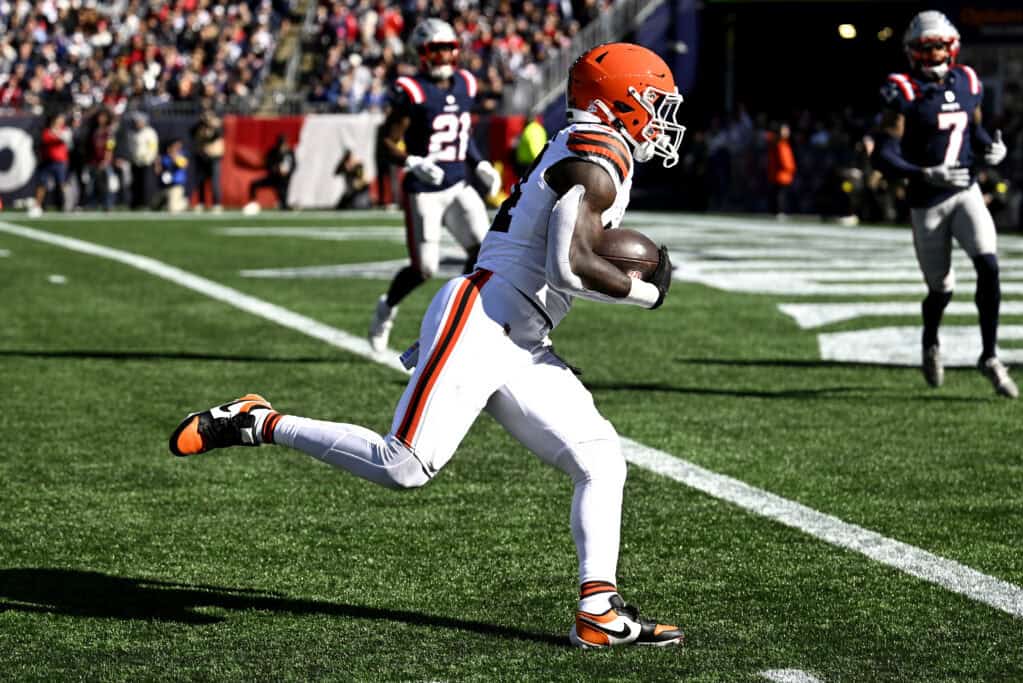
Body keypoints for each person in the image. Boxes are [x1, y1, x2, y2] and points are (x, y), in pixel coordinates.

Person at [168, 42, 683, 649]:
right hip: (485, 319)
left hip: (521, 333)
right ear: (618, 99)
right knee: (403, 466)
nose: (662, 118)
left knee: (601, 459)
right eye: (654, 102)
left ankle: (598, 610)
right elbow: (570, 265)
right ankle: (258, 421)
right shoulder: (596, 155)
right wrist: (645, 293)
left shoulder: (600, 150)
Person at [873, 10, 1018, 398]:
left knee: (988, 265)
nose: (934, 53)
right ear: (912, 51)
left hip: (966, 191)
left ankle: (989, 355)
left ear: (951, 47)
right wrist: (924, 173)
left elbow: (976, 127)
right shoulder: (902, 90)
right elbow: (882, 154)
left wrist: (992, 148)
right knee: (941, 289)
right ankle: (931, 341)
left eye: (940, 45)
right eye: (927, 47)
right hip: (928, 202)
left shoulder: (969, 80)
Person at [367, 18, 503, 352]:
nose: (443, 56)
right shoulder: (411, 90)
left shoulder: (467, 83)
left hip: (458, 184)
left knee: (484, 254)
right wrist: (412, 161)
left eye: (448, 49)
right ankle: (386, 307)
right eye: (436, 49)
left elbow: (462, 133)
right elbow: (385, 142)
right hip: (424, 190)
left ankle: (463, 316)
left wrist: (480, 162)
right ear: (422, 53)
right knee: (424, 268)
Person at [29, 112, 71, 217]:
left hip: (60, 162)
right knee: (42, 184)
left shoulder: (65, 131)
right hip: (47, 162)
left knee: (62, 184)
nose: (61, 121)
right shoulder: (47, 131)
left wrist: (58, 134)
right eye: (59, 119)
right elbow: (48, 139)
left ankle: (66, 205)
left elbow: (65, 140)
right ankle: (37, 206)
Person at [243, 134, 295, 214]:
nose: (283, 146)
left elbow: (294, 165)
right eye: (281, 144)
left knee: (283, 194)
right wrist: (277, 169)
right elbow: (268, 165)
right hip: (273, 178)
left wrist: (287, 173)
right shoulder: (273, 152)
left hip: (284, 180)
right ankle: (253, 203)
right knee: (254, 184)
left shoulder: (289, 153)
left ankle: (284, 205)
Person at [191, 108, 224, 213]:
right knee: (201, 180)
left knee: (215, 181)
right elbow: (191, 132)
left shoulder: (217, 125)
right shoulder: (200, 126)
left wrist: (211, 124)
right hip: (202, 155)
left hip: (214, 156)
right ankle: (201, 202)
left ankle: (217, 203)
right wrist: (201, 122)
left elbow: (215, 136)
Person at [126, 112, 159, 210]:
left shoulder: (150, 132)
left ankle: (147, 204)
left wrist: (148, 158)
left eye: (139, 121)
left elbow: (153, 148)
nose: (137, 123)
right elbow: (131, 147)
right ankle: (136, 204)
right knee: (135, 184)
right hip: (135, 162)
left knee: (146, 184)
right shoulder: (132, 132)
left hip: (146, 162)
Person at [767, 122, 796, 219]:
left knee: (781, 194)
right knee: (780, 195)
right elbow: (784, 161)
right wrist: (790, 168)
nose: (787, 132)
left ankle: (779, 211)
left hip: (784, 174)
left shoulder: (783, 144)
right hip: (781, 175)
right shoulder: (779, 144)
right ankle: (780, 211)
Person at [154, 138, 189, 213]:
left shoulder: (181, 156)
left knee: (172, 208)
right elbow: (158, 171)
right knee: (154, 205)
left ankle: (185, 203)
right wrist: (158, 163)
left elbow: (184, 165)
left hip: (176, 186)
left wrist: (174, 157)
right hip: (165, 186)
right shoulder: (164, 157)